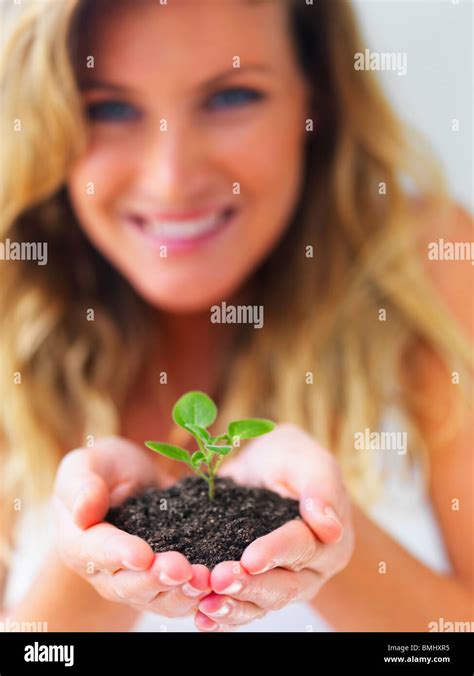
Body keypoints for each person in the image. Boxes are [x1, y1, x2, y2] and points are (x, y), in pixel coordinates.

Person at [0, 0, 472, 633]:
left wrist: (321, 537)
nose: (171, 181)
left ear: (317, 98)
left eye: (231, 98)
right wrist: (91, 560)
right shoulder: (11, 307)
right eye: (109, 108)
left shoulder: (426, 267)